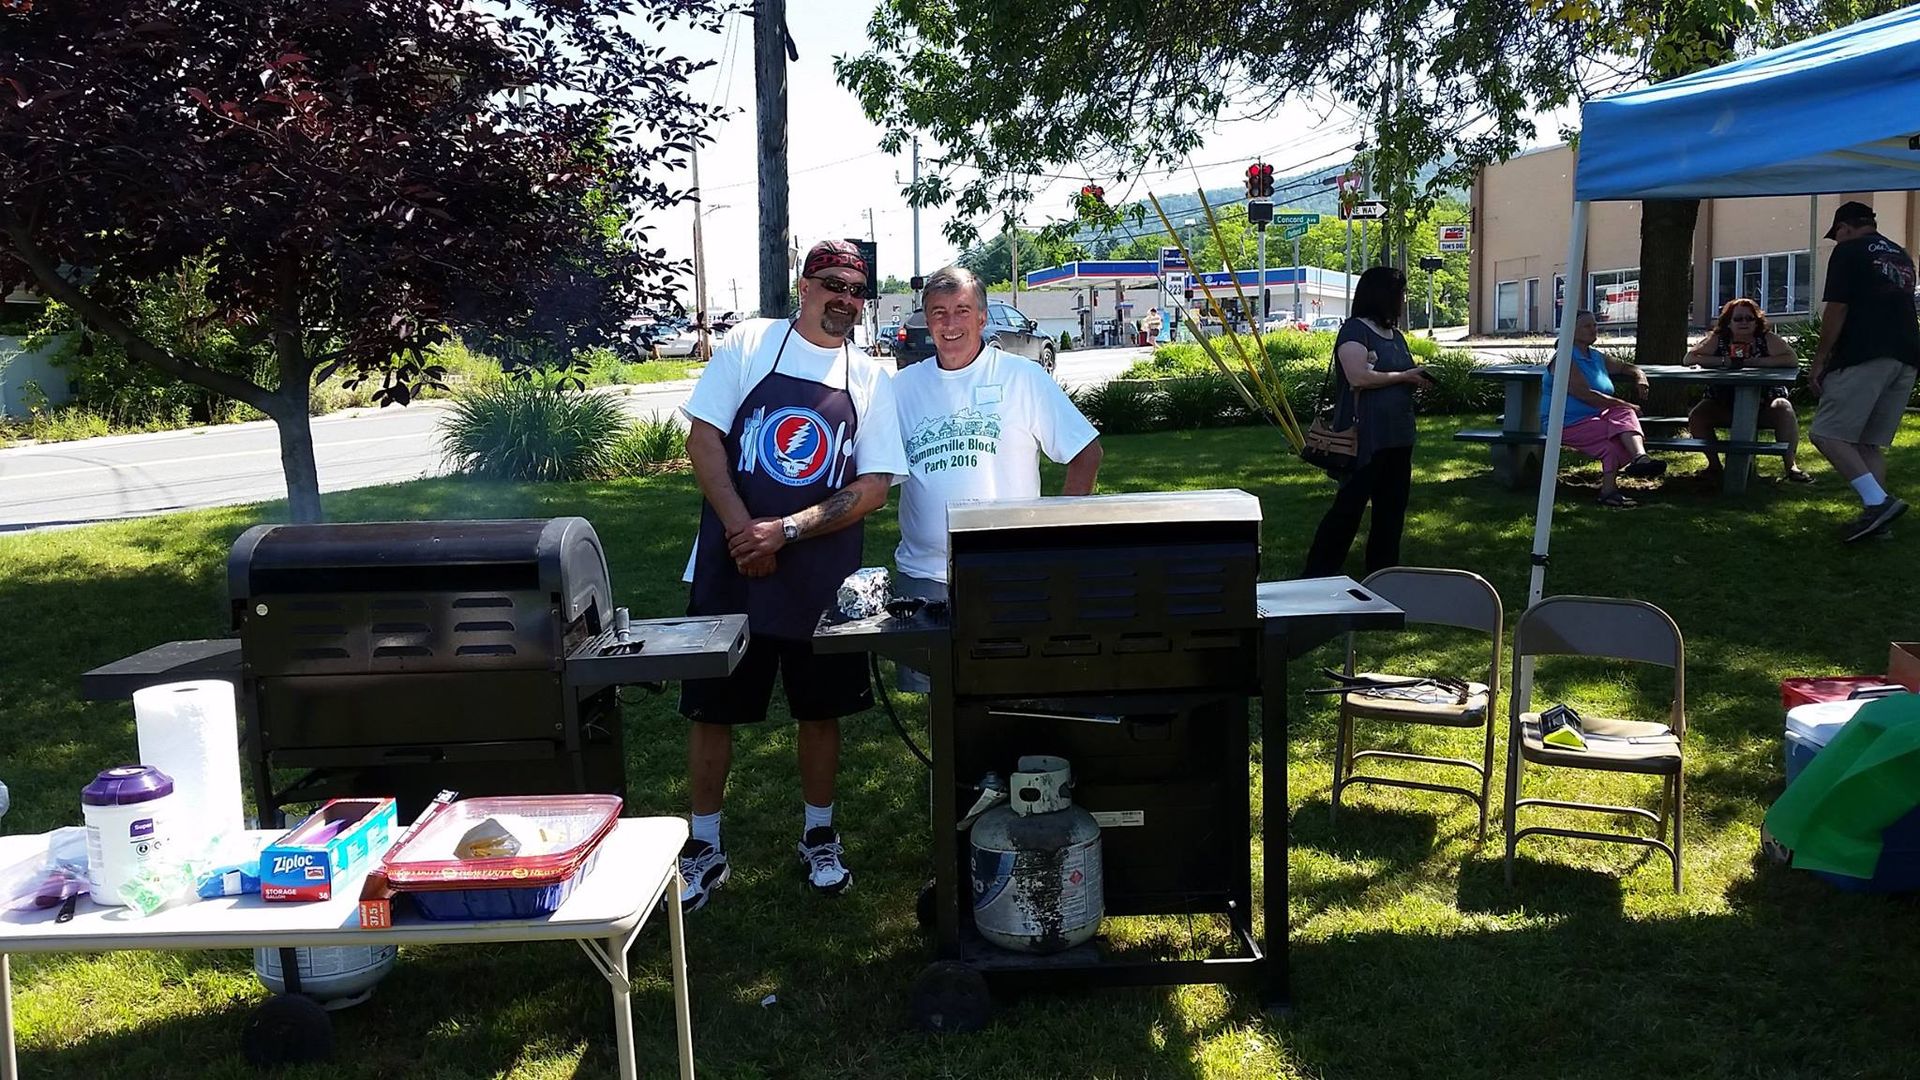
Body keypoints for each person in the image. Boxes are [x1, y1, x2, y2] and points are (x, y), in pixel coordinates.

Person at [674, 239, 910, 911]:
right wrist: (743, 531)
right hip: (731, 569)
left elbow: (872, 487)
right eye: (832, 282)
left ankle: (820, 835)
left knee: (821, 710)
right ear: (802, 286)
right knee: (712, 709)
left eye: (857, 289)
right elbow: (703, 438)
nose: (846, 297)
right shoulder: (750, 345)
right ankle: (705, 845)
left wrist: (787, 530)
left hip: (820, 578)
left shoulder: (868, 377)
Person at [890, 266, 1103, 689]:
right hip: (923, 576)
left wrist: (1058, 536)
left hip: (1011, 573)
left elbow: (1086, 454)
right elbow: (876, 475)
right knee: (938, 701)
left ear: (983, 318)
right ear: (926, 321)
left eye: (962, 311)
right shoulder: (901, 388)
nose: (950, 324)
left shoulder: (1023, 377)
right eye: (938, 313)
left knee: (1011, 692)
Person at [1302, 266, 1434, 577]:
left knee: (1391, 511)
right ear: (1384, 296)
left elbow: (1395, 375)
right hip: (1364, 437)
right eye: (1400, 293)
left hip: (1398, 436)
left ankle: (1383, 573)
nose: (1404, 299)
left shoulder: (1396, 336)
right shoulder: (1354, 331)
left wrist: (1416, 380)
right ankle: (1318, 573)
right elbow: (1358, 376)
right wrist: (1403, 376)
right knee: (1349, 508)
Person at [1809, 201, 1920, 541]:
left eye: (1837, 234)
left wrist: (1821, 358)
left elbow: (1837, 308)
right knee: (1868, 444)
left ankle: (1878, 502)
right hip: (1907, 356)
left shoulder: (1849, 251)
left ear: (1845, 227)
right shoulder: (1900, 253)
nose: (1837, 239)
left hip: (1864, 353)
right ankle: (1879, 522)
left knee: (1827, 434)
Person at [1544, 309, 1668, 507]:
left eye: (1595, 325)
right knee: (1618, 432)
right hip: (1564, 422)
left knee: (1624, 417)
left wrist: (1640, 377)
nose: (1593, 329)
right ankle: (1619, 481)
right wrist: (1626, 403)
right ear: (1571, 331)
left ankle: (1634, 465)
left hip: (1596, 417)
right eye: (1587, 326)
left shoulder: (1595, 357)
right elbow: (1586, 395)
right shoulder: (1564, 359)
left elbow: (1626, 367)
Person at [1686, 298, 1811, 483]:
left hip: (1765, 403)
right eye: (1738, 319)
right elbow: (1689, 358)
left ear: (1756, 321)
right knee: (1697, 415)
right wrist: (1725, 361)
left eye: (1749, 318)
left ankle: (1791, 465)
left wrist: (1757, 362)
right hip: (1722, 402)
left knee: (1784, 408)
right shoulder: (1719, 339)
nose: (1744, 322)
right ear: (1728, 322)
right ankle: (1714, 466)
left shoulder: (1766, 339)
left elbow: (1791, 359)